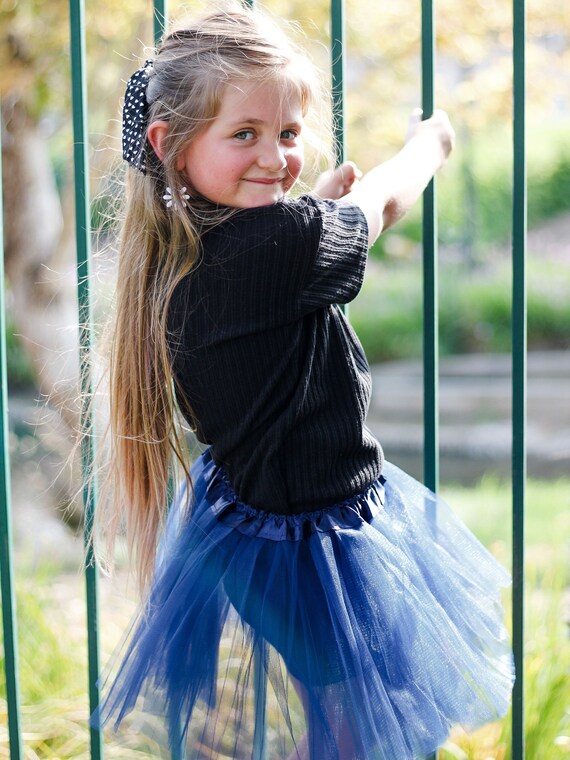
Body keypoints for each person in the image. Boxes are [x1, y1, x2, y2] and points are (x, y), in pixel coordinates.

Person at [93, 5, 514, 759]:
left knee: (342, 715)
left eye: (286, 134)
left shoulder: (179, 254)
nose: (274, 156)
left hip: (249, 531)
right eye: (244, 134)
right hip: (323, 543)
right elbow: (381, 204)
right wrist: (430, 143)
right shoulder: (284, 246)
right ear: (171, 145)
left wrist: (312, 207)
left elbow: (271, 293)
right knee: (360, 729)